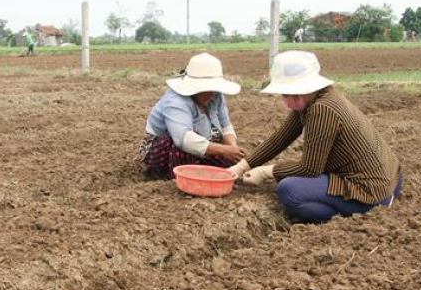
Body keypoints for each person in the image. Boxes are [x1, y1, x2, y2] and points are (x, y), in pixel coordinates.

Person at [227, 51, 402, 223]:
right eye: (284, 94)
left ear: (302, 89)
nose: (285, 99)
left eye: (287, 94)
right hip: (390, 178)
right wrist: (242, 166)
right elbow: (280, 138)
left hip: (370, 189)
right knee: (294, 184)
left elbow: (310, 169)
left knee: (290, 191)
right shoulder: (317, 98)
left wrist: (267, 171)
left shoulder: (322, 109)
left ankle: (357, 214)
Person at [139, 53, 248, 179]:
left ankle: (201, 169)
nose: (211, 92)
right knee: (185, 142)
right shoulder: (175, 101)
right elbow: (183, 139)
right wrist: (224, 150)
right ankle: (177, 176)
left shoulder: (216, 96)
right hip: (163, 151)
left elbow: (225, 126)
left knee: (234, 163)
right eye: (207, 88)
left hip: (203, 144)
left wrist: (232, 148)